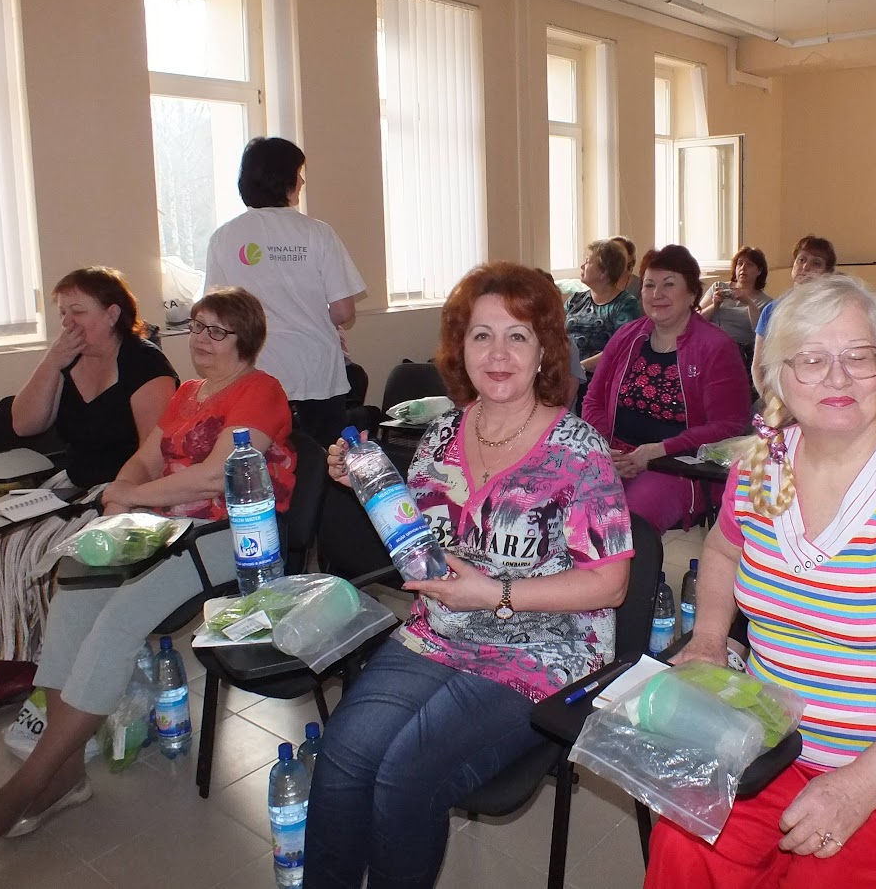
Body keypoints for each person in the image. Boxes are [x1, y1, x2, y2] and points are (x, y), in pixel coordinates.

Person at [645, 274, 876, 889]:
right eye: (812, 359)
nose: (838, 378)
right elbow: (722, 548)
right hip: (773, 748)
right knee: (683, 849)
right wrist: (709, 638)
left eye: (859, 357)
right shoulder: (760, 466)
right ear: (775, 377)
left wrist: (855, 789)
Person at [305, 263, 633, 888]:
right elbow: (421, 536)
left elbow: (611, 584)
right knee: (342, 758)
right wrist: (366, 483)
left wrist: (495, 592)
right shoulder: (440, 437)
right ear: (461, 348)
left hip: (543, 649)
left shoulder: (579, 451)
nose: (498, 353)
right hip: (439, 631)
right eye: (482, 335)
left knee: (405, 776)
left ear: (544, 351)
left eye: (517, 335)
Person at [0, 287, 295, 857]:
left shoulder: (262, 390)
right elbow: (147, 456)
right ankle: (67, 774)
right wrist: (122, 490)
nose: (201, 339)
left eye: (218, 331)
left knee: (118, 622)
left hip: (234, 536)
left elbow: (218, 476)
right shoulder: (186, 393)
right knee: (71, 597)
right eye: (197, 326)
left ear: (247, 339)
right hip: (163, 525)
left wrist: (133, 496)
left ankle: (32, 782)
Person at [0, 267, 178, 721]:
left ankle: (56, 658)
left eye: (78, 312)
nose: (68, 323)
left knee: (48, 547)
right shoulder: (69, 359)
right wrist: (51, 362)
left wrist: (118, 496)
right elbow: (24, 424)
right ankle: (18, 660)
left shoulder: (145, 365)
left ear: (112, 314)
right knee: (6, 536)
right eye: (62, 314)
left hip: (124, 488)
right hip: (72, 481)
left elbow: (155, 454)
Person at [205, 136, 365, 447]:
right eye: (298, 173)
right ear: (283, 178)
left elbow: (216, 313)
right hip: (316, 372)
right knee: (324, 461)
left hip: (253, 373)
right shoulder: (318, 233)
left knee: (263, 462)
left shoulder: (224, 237)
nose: (301, 181)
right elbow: (343, 311)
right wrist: (314, 317)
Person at [583, 244, 751, 533]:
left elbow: (729, 426)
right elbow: (593, 400)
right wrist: (605, 449)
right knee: (567, 507)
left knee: (625, 524)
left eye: (669, 284)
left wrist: (659, 451)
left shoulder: (716, 347)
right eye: (649, 285)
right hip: (616, 457)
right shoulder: (626, 337)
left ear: (692, 293)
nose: (656, 294)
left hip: (677, 466)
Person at [566, 238, 642, 372]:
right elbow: (554, 332)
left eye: (588, 261)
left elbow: (622, 347)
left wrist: (580, 368)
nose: (582, 266)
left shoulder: (626, 304)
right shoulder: (575, 300)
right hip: (566, 372)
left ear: (604, 272)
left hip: (600, 376)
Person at [753, 234, 837, 348]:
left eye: (816, 263)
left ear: (827, 273)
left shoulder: (831, 311)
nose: (805, 267)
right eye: (801, 260)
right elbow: (759, 358)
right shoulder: (771, 310)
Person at [698, 246, 772, 365]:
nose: (743, 268)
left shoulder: (766, 302)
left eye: (749, 264)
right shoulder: (718, 287)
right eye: (740, 263)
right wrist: (715, 305)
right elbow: (696, 320)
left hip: (741, 352)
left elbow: (760, 334)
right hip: (711, 344)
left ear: (759, 271)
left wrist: (749, 303)